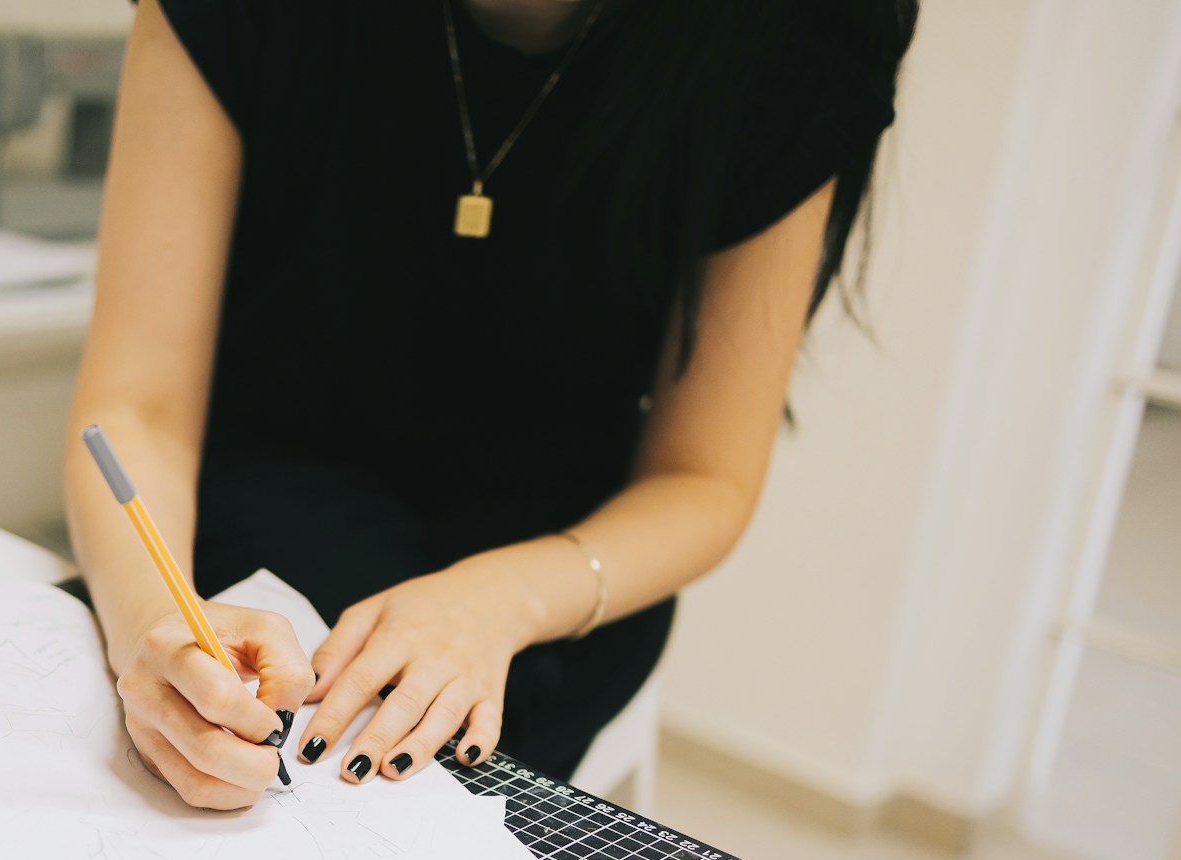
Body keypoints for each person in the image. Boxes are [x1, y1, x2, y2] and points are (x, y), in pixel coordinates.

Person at [63, 0, 918, 810]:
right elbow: (137, 408)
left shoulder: (796, 31)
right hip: (274, 481)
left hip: (566, 552)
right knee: (304, 710)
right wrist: (154, 623)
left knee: (433, 763)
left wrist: (498, 604)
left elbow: (706, 479)